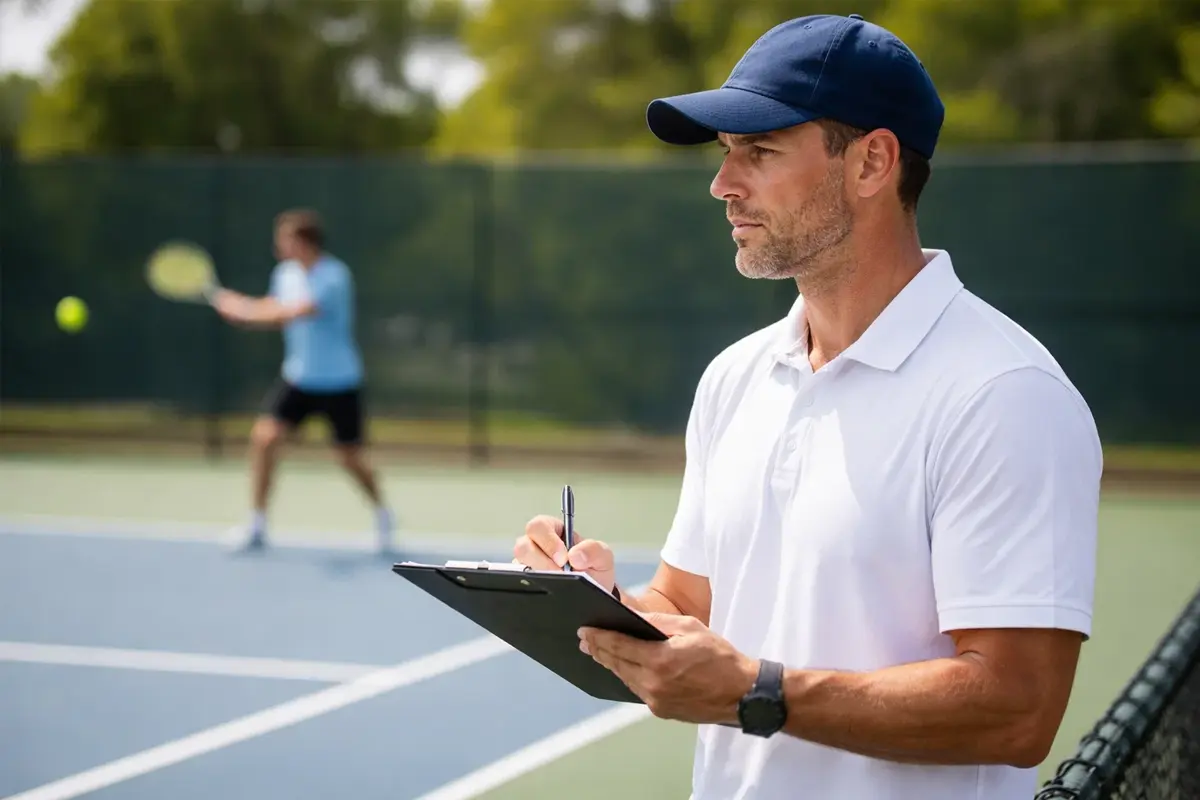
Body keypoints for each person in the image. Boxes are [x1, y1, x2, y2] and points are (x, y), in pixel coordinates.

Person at [513, 13, 1101, 800]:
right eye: (726, 155)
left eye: (758, 151)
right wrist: (605, 604)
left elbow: (1017, 711)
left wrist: (759, 693)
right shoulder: (736, 377)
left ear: (872, 163)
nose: (722, 185)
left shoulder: (1004, 395)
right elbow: (689, 606)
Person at [212, 209, 395, 553]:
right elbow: (275, 303)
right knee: (265, 440)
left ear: (304, 242)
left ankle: (383, 515)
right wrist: (242, 304)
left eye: (285, 239)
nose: (279, 246)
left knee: (349, 457)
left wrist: (247, 313)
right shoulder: (285, 273)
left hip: (340, 381)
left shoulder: (334, 276)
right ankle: (256, 524)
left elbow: (297, 311)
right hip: (298, 378)